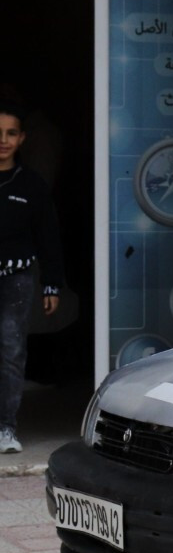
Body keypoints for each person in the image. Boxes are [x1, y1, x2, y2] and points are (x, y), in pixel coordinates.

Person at [0, 101, 64, 453]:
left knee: (11, 352)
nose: (4, 140)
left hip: (17, 279)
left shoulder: (31, 185)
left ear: (22, 138)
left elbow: (48, 236)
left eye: (11, 133)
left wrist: (51, 282)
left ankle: (5, 429)